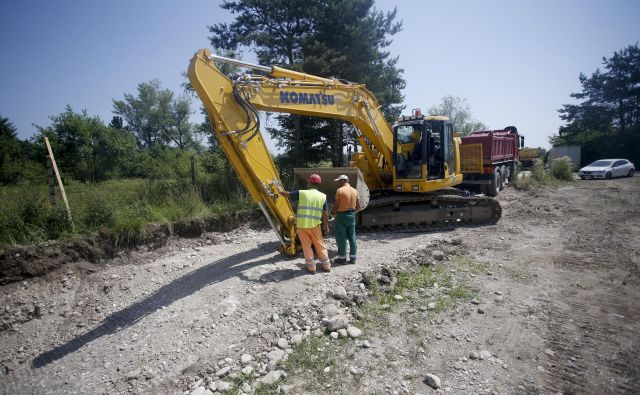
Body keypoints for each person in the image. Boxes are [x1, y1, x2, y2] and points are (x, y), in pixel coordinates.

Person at [278, 174, 330, 273]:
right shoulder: (322, 196)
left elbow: (287, 194)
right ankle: (326, 265)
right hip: (315, 226)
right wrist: (326, 226)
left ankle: (311, 268)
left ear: (309, 183)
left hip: (302, 226)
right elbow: (325, 213)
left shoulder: (302, 193)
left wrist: (280, 190)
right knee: (320, 245)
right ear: (318, 184)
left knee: (306, 246)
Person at [331, 174, 361, 264]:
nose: (338, 183)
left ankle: (342, 258)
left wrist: (332, 213)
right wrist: (352, 212)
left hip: (341, 216)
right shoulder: (355, 191)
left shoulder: (339, 190)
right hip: (351, 215)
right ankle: (353, 258)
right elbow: (359, 206)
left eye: (339, 181)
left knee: (341, 237)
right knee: (352, 237)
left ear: (343, 181)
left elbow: (336, 205)